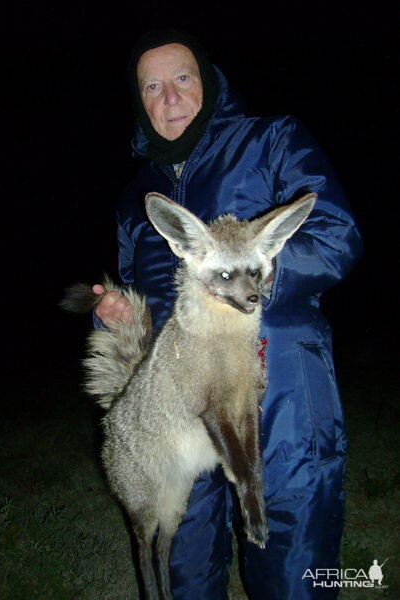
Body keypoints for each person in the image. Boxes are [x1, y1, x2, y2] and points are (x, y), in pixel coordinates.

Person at [92, 30, 363, 600]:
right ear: (140, 102)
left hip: (277, 385)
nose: (169, 98)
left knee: (293, 561)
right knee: (186, 570)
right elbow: (138, 291)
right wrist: (115, 313)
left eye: (182, 78)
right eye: (152, 87)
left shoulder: (272, 140)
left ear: (209, 82)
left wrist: (247, 284)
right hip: (178, 405)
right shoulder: (136, 194)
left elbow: (337, 234)